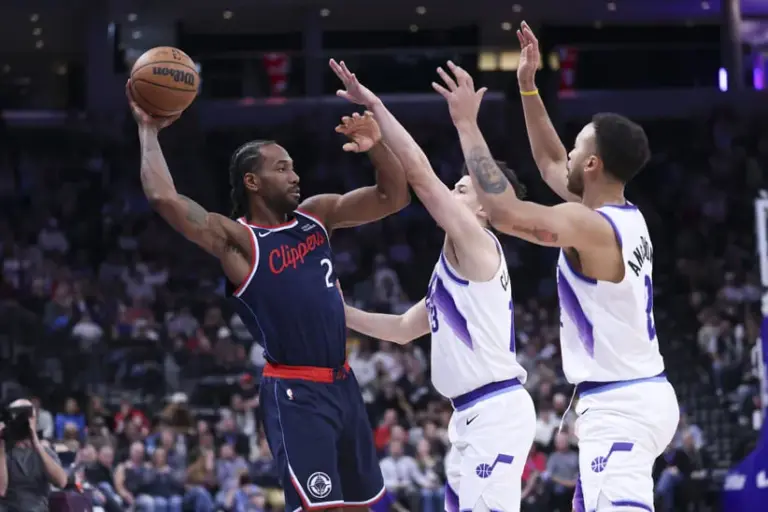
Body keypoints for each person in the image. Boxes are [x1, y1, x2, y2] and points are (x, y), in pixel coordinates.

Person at [125, 66, 410, 511]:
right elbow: (165, 199)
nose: (295, 176)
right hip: (296, 392)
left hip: (344, 383)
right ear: (252, 182)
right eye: (282, 169)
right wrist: (148, 130)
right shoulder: (239, 242)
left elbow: (394, 197)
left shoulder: (319, 215)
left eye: (294, 167)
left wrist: (377, 148)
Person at [429, 23, 680, 512]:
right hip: (630, 394)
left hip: (621, 405)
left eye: (579, 145)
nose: (569, 152)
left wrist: (467, 125)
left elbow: (503, 213)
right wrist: (527, 84)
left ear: (592, 164)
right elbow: (548, 163)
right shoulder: (621, 215)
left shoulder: (590, 226)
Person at [332, 59, 536, 512]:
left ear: (485, 210)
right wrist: (341, 313)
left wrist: (377, 106)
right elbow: (405, 328)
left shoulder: (480, 243)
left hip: (496, 412)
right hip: (468, 416)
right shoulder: (453, 266)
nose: (454, 190)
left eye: (464, 189)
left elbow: (421, 177)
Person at [0, 399, 68, 512]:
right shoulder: (3, 451)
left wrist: (36, 443)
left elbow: (61, 482)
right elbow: (1, 490)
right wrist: (1, 444)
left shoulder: (44, 452)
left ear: (35, 421)